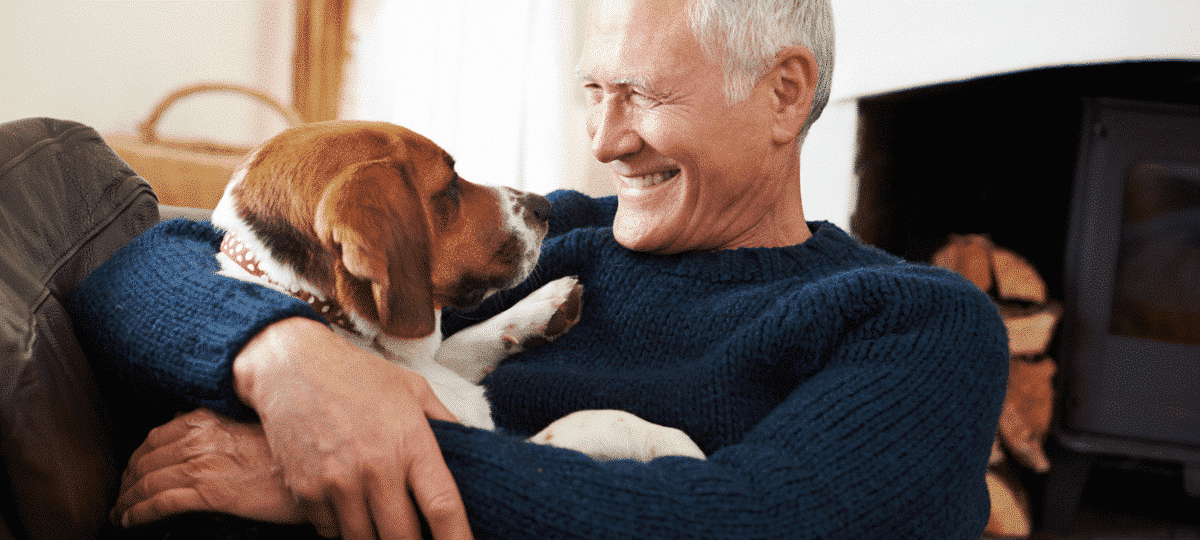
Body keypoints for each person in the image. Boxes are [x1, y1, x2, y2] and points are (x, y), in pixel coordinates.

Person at [68, 0, 1009, 538]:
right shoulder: (561, 242)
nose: (602, 140)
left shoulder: (918, 323)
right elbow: (137, 273)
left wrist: (338, 471)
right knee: (52, 168)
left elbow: (751, 523)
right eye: (591, 93)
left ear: (783, 94)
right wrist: (292, 367)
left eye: (638, 94)